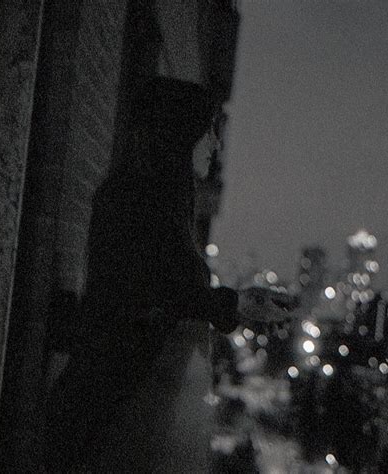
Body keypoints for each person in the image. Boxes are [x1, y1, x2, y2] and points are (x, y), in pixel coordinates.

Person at [44, 77, 289, 472]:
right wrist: (236, 304)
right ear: (181, 131)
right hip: (108, 421)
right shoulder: (142, 200)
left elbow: (165, 290)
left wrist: (237, 303)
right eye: (210, 130)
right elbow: (165, 293)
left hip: (104, 411)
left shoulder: (146, 197)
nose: (217, 145)